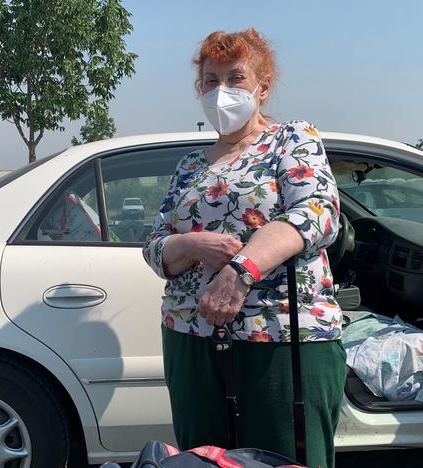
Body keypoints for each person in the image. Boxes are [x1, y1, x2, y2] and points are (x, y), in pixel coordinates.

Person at [142, 28, 346, 468]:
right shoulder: (190, 166)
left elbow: (316, 214)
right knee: (203, 457)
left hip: (280, 337)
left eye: (235, 78)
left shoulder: (291, 140)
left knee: (286, 457)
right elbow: (156, 246)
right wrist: (190, 243)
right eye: (211, 80)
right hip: (191, 338)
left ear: (262, 86)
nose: (222, 91)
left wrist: (240, 271)